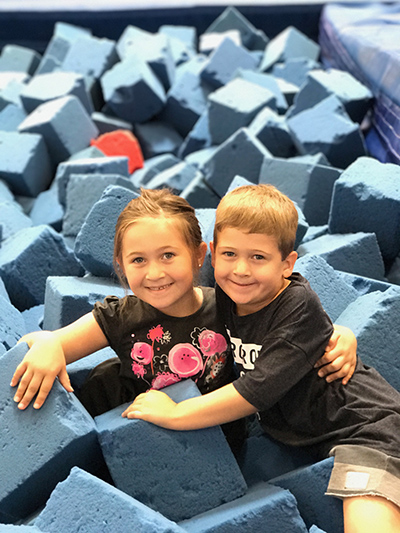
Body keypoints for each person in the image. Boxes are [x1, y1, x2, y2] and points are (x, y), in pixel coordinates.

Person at [126, 185, 400, 533]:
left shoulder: (297, 305)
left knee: (368, 514)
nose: (240, 269)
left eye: (258, 257)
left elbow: (255, 391)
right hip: (306, 435)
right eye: (229, 254)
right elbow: (152, 305)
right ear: (211, 254)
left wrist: (177, 414)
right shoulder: (227, 288)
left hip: (365, 428)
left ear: (287, 264)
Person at [11, 188, 355, 451]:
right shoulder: (119, 315)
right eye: (138, 260)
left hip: (213, 443)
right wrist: (47, 345)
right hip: (127, 434)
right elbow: (53, 342)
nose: (155, 272)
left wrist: (340, 335)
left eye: (168, 255)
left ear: (199, 255)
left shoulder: (229, 305)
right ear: (121, 264)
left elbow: (288, 322)